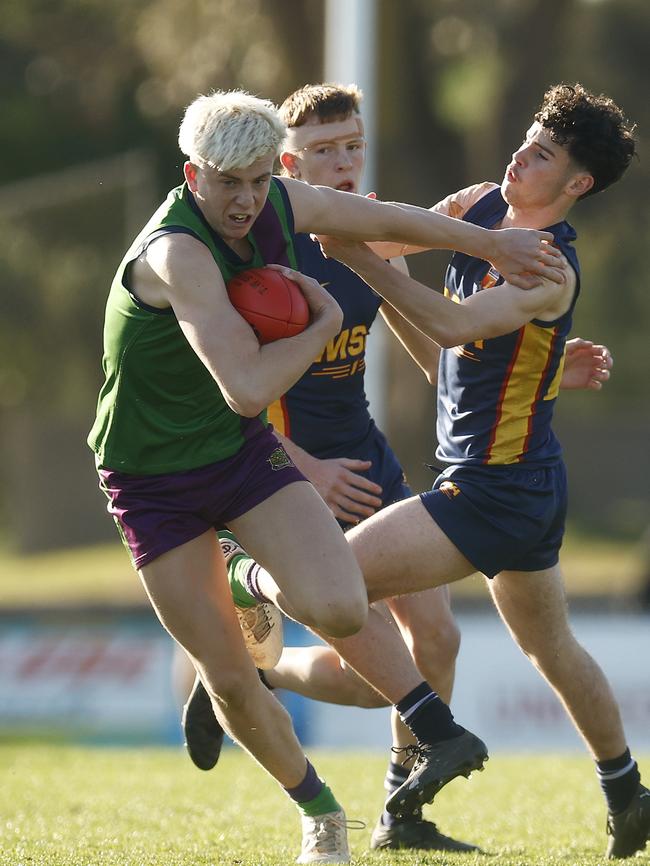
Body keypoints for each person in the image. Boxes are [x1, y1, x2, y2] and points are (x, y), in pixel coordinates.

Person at [88, 89, 561, 864]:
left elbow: (387, 222)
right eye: (227, 182)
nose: (244, 201)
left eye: (254, 182)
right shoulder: (178, 254)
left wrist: (489, 249)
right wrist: (321, 325)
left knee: (341, 605)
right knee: (231, 680)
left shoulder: (278, 202)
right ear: (191, 174)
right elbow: (246, 388)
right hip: (151, 481)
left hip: (240, 459)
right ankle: (321, 814)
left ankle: (252, 583)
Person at [307, 83, 645, 860]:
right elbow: (397, 267)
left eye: (542, 156)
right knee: (552, 649)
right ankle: (627, 792)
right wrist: (349, 229)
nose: (518, 157)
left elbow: (454, 323)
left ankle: (294, 688)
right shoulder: (482, 206)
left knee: (330, 581)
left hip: (494, 490)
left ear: (577, 186)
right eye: (526, 140)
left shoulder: (550, 272)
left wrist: (357, 253)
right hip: (515, 481)